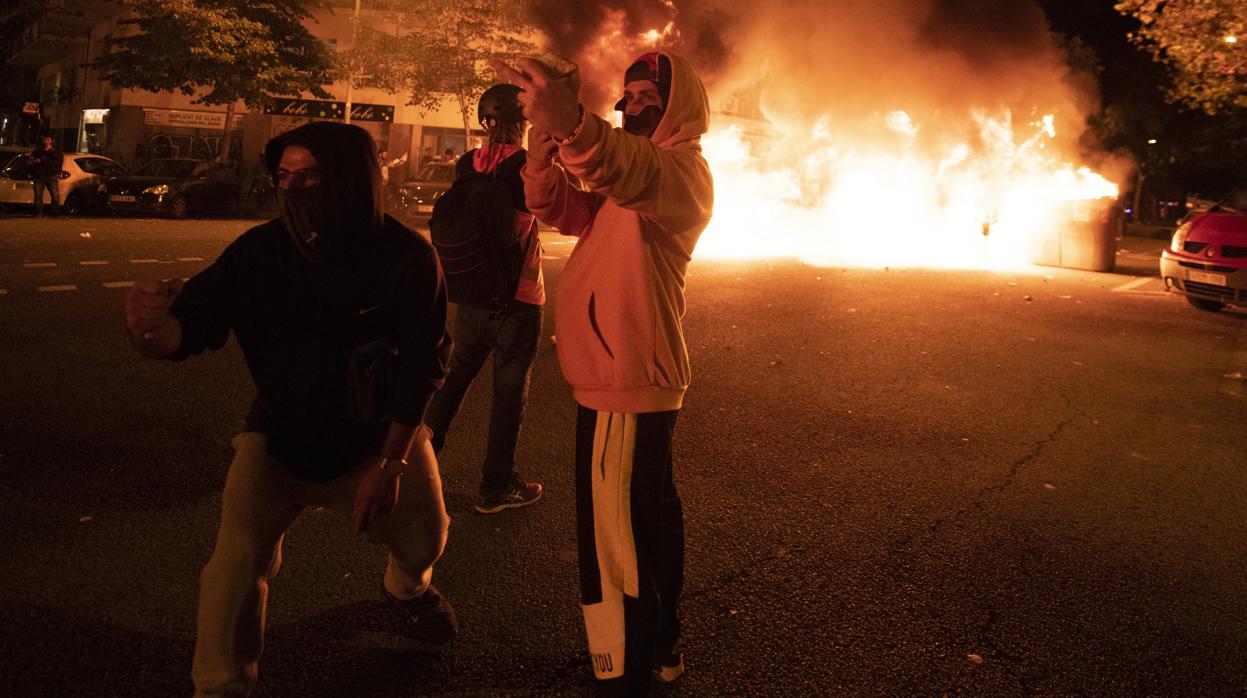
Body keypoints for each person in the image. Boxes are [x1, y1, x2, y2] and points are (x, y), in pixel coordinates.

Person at [123, 121, 457, 697]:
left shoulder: (406, 257)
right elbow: (187, 329)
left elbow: (424, 364)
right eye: (284, 177)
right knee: (231, 572)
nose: (294, 189)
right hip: (278, 442)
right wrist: (145, 326)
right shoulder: (259, 254)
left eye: (312, 177)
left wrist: (392, 465)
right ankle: (221, 687)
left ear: (352, 180)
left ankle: (406, 589)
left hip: (376, 443)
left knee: (427, 540)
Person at [492, 51, 713, 694]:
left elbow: (619, 162)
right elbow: (559, 207)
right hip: (626, 378)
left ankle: (621, 673)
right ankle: (662, 646)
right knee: (647, 523)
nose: (636, 105)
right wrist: (543, 149)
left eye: (651, 96)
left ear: (679, 107)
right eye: (631, 95)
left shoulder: (681, 175)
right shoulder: (633, 187)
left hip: (625, 384)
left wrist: (575, 124)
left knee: (617, 549)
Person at [423, 83, 545, 515]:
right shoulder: (526, 166)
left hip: (471, 297)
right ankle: (496, 487)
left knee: (451, 384)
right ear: (522, 123)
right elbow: (551, 209)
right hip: (518, 299)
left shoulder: (466, 163)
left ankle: (414, 469)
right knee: (508, 394)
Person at [29, 134, 63, 217]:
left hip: (51, 175)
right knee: (38, 195)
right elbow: (30, 160)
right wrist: (34, 161)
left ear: (51, 141)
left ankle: (55, 213)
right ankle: (39, 213)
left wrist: (43, 159)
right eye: (44, 140)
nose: (46, 142)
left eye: (48, 140)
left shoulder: (56, 151)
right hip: (39, 176)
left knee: (55, 195)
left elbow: (57, 161)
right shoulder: (38, 151)